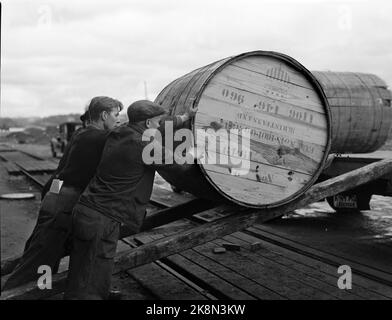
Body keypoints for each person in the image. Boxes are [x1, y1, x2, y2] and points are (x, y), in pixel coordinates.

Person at [64, 100, 197, 300]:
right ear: (148, 124)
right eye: (157, 121)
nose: (160, 124)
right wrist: (197, 151)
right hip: (103, 220)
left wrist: (185, 117)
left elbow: (160, 124)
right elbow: (181, 165)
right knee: (90, 278)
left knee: (87, 271)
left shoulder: (121, 132)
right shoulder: (143, 145)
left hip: (89, 211)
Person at [2, 96, 123, 291]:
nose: (118, 119)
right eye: (116, 115)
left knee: (41, 246)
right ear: (104, 115)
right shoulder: (99, 137)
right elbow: (129, 138)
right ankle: (15, 292)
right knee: (43, 253)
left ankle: (40, 290)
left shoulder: (81, 133)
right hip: (65, 200)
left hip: (55, 192)